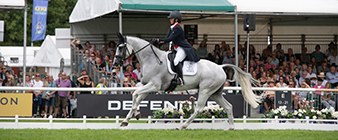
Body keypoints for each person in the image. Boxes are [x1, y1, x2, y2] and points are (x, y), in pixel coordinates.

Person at [152, 11, 200, 85]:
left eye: (171, 19)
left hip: (182, 48)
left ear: (176, 20)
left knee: (176, 61)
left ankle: (180, 79)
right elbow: (166, 38)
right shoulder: (172, 28)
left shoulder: (177, 28)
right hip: (176, 48)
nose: (170, 20)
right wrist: (158, 43)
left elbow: (170, 39)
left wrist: (158, 39)